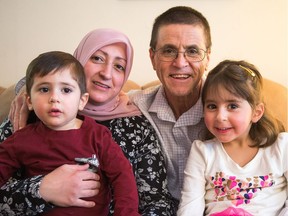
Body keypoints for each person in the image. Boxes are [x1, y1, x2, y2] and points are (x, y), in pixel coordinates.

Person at [0, 29, 176, 215]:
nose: (106, 74)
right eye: (98, 58)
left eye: (119, 66)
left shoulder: (137, 128)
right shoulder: (28, 116)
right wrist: (40, 188)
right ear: (79, 62)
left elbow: (156, 202)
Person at [0, 51, 140, 216]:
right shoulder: (20, 137)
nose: (54, 98)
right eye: (44, 89)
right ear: (29, 101)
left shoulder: (98, 136)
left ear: (82, 100)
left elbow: (122, 174)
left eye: (66, 90)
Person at [177, 60, 287, 216]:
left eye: (232, 106)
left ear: (256, 112)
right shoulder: (203, 151)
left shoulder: (281, 147)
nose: (220, 116)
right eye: (212, 106)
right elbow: (190, 205)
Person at [129, 6, 211, 205]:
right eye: (168, 51)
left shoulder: (232, 112)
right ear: (153, 58)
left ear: (207, 58)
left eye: (192, 51)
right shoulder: (132, 106)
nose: (180, 62)